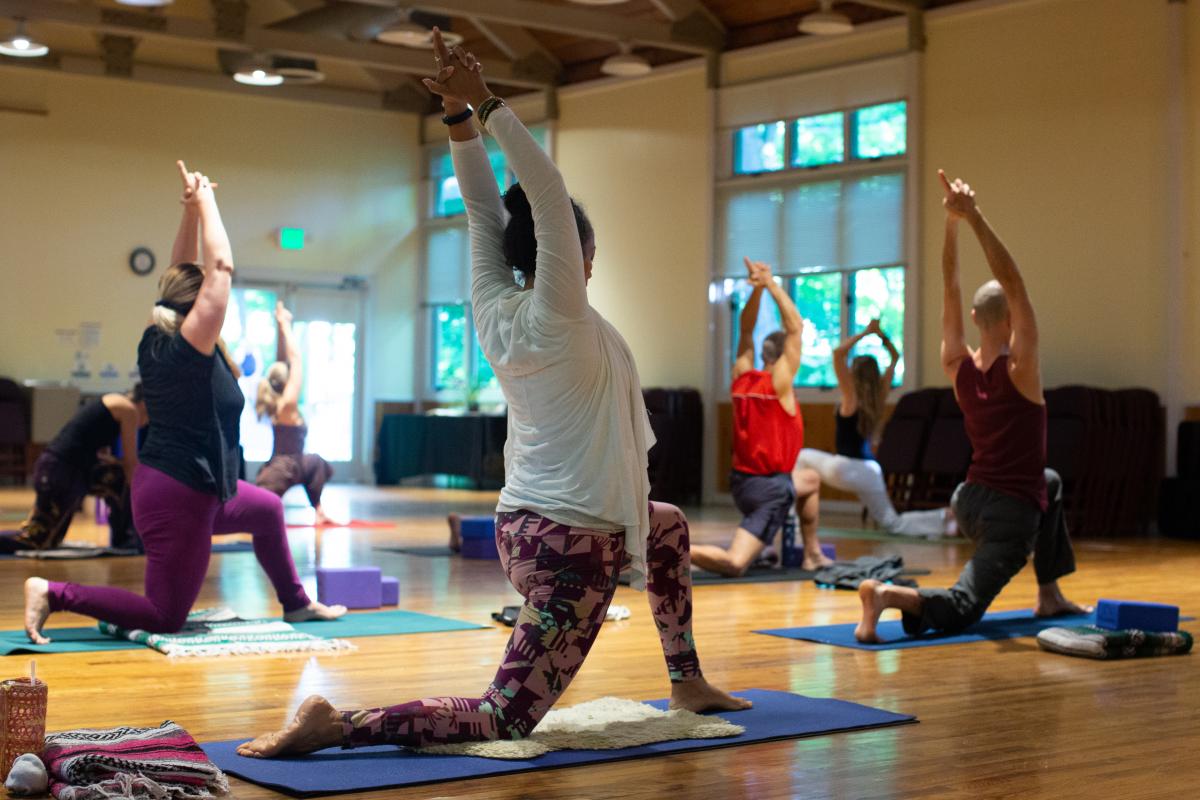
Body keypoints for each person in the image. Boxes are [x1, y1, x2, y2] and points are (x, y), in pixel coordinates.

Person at [237, 31, 747, 760]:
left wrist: (457, 120)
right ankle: (339, 726)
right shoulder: (557, 311)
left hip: (527, 529)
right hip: (574, 548)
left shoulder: (494, 305)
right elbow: (541, 191)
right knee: (506, 717)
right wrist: (486, 101)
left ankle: (687, 678)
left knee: (664, 526)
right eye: (582, 251)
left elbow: (485, 211)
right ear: (578, 255)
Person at [22, 161, 345, 644]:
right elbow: (220, 268)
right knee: (164, 614)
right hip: (179, 498)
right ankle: (54, 593)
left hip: (199, 488)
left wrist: (192, 207)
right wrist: (211, 201)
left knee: (265, 509)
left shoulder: (163, 332)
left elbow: (186, 270)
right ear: (199, 308)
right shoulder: (189, 346)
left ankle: (296, 603)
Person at [855, 171, 1091, 643]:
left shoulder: (957, 366)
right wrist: (974, 216)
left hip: (969, 500)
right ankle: (885, 596)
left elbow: (950, 286)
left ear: (975, 319)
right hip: (1008, 512)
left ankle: (1048, 592)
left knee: (1050, 481)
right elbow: (1014, 281)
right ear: (1012, 319)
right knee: (964, 608)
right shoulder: (1021, 370)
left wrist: (950, 224)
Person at [689, 258, 831, 577]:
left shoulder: (741, 378)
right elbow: (795, 327)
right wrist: (769, 284)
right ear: (784, 359)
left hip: (741, 484)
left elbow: (746, 328)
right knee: (735, 564)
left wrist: (754, 292)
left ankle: (813, 554)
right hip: (769, 490)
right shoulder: (780, 385)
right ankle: (668, 546)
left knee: (809, 480)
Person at [794, 319, 952, 537]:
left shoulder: (851, 397)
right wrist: (881, 336)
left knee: (801, 456)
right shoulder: (879, 396)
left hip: (845, 467)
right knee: (893, 523)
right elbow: (896, 357)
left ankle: (791, 519)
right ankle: (944, 518)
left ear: (854, 375)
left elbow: (838, 353)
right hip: (870, 471)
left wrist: (866, 333)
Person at [0, 386, 147, 554]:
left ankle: (125, 540)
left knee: (116, 476)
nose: (148, 422)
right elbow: (131, 463)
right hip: (60, 473)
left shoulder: (113, 401)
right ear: (145, 404)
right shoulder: (128, 410)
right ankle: (127, 540)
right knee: (36, 541)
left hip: (62, 470)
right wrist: (139, 498)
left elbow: (100, 451)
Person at [254, 302, 336, 526]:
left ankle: (319, 510)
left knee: (317, 462)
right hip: (282, 467)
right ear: (286, 382)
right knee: (262, 510)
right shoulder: (287, 405)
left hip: (299, 463)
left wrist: (281, 328)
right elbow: (296, 360)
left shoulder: (280, 401)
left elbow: (283, 360)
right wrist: (285, 323)